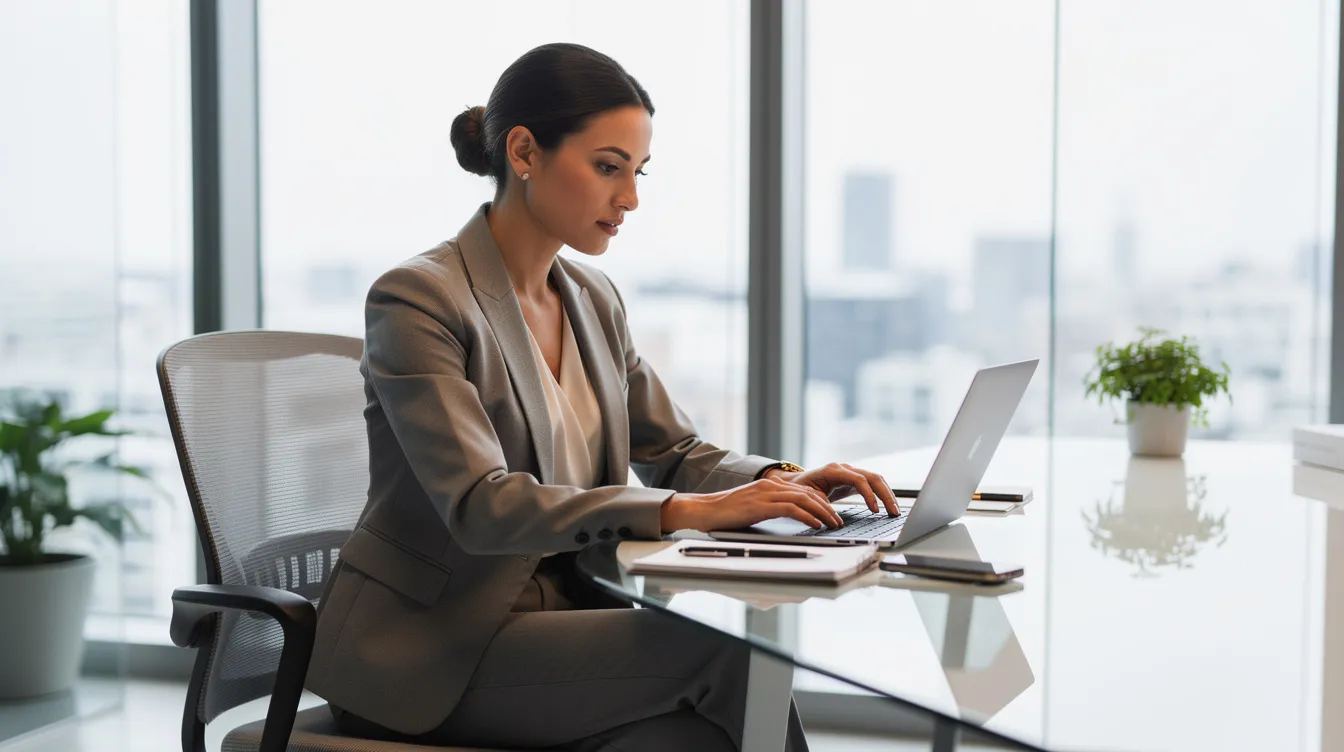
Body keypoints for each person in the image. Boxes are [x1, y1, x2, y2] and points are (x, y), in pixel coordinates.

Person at [306, 42, 902, 751]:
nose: (630, 197)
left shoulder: (592, 298)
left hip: (569, 616)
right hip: (435, 650)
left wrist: (779, 482)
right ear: (523, 151)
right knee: (736, 662)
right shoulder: (420, 299)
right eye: (608, 167)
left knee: (702, 737)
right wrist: (691, 512)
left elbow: (673, 449)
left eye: (638, 172)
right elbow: (480, 504)